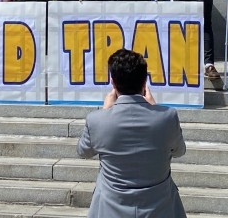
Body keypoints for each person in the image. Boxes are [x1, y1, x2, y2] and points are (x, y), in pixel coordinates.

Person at [77, 48, 187, 218]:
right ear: (145, 83)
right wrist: (155, 109)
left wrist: (105, 111)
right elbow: (180, 151)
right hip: (161, 208)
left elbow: (83, 151)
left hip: (110, 208)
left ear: (113, 83)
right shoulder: (167, 116)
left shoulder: (96, 120)